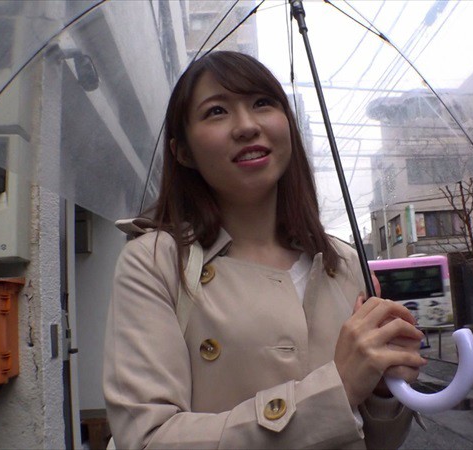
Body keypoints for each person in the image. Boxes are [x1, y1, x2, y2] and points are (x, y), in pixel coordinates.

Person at [103, 51, 426, 449]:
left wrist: (381, 389)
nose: (247, 126)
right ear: (182, 151)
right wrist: (336, 390)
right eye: (217, 111)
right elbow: (148, 439)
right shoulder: (155, 263)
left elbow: (379, 442)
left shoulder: (343, 263)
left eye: (262, 103)